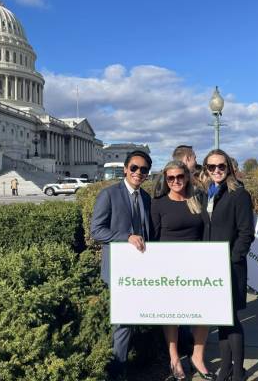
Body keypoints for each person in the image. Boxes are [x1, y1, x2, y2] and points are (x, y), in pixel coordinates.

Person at [91, 150, 153, 380]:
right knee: (124, 322)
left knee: (136, 318)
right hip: (119, 269)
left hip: (142, 269)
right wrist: (126, 236)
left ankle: (132, 359)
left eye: (143, 170)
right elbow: (96, 231)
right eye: (134, 168)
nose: (138, 172)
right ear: (126, 169)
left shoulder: (146, 197)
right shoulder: (108, 194)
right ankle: (118, 371)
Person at [151, 160, 216, 381]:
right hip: (169, 266)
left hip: (198, 264)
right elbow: (154, 236)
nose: (176, 181)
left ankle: (198, 357)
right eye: (171, 178)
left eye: (180, 177)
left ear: (187, 177)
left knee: (203, 312)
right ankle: (174, 357)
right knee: (172, 314)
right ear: (166, 180)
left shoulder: (197, 200)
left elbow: (207, 230)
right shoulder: (158, 204)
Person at [201, 149, 255, 381]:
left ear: (229, 167)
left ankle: (238, 372)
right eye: (211, 167)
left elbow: (246, 233)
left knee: (231, 319)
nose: (216, 171)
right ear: (206, 169)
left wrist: (231, 259)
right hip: (211, 266)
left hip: (230, 267)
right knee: (222, 318)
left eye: (221, 166)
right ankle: (226, 369)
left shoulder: (238, 193)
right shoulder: (207, 193)